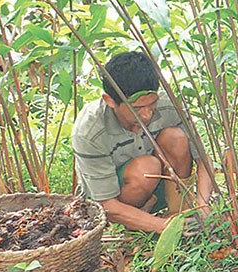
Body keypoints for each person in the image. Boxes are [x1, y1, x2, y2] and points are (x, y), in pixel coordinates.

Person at [72, 51, 213, 233]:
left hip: (156, 190)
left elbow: (203, 160)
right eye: (137, 108)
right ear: (110, 101)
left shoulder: (168, 106)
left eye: (152, 104)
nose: (147, 114)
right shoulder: (90, 131)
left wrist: (202, 203)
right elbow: (106, 204)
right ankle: (146, 224)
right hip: (114, 203)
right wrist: (163, 228)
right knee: (146, 169)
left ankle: (179, 213)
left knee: (175, 138)